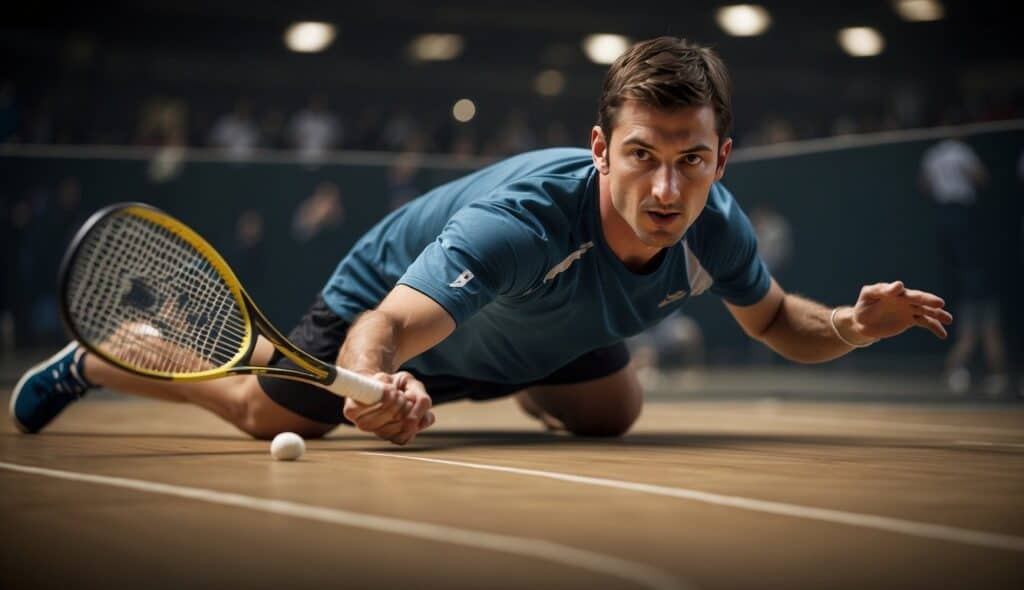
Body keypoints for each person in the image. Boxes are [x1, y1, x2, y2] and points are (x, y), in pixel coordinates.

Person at [11, 37, 952, 444]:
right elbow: (383, 327)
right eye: (642, 156)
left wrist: (852, 325)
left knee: (611, 414)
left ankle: (532, 371)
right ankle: (109, 361)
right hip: (404, 301)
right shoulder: (523, 222)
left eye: (692, 160)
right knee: (272, 419)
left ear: (722, 157)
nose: (667, 188)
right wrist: (374, 390)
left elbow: (779, 320)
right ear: (599, 150)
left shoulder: (717, 225)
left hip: (540, 325)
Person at [920, 136, 1007, 396]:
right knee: (978, 332)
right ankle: (964, 373)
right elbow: (980, 177)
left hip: (947, 219)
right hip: (958, 215)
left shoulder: (933, 155)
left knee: (985, 331)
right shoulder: (960, 151)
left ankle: (984, 375)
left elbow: (924, 184)